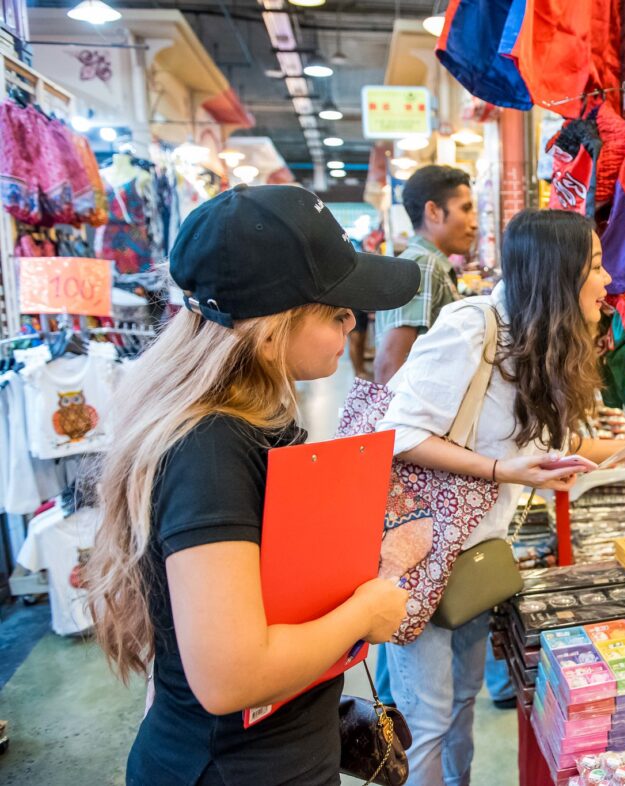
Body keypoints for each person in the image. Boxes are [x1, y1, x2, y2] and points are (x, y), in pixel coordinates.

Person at [85, 184, 427, 785]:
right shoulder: (211, 448)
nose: (353, 324)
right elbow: (229, 678)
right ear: (271, 329)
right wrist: (363, 613)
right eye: (336, 311)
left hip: (279, 751)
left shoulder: (251, 422)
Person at [374, 209, 625, 786]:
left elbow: (551, 444)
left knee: (461, 702)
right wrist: (502, 470)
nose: (608, 279)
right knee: (430, 720)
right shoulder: (473, 327)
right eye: (593, 265)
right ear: (556, 273)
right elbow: (398, 433)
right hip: (419, 553)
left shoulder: (533, 339)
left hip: (473, 557)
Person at [373, 165, 478, 385]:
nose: (474, 223)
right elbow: (390, 365)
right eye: (465, 209)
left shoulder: (426, 264)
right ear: (433, 211)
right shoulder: (422, 265)